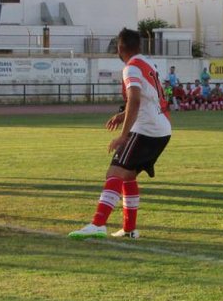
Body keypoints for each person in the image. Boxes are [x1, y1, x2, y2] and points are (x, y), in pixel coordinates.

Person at [70, 28, 171, 239]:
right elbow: (147, 98)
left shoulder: (131, 68)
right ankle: (129, 229)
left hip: (146, 128)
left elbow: (134, 99)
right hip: (161, 128)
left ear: (120, 47)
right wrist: (121, 115)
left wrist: (123, 136)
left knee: (114, 173)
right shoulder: (147, 63)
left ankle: (98, 224)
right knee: (128, 176)